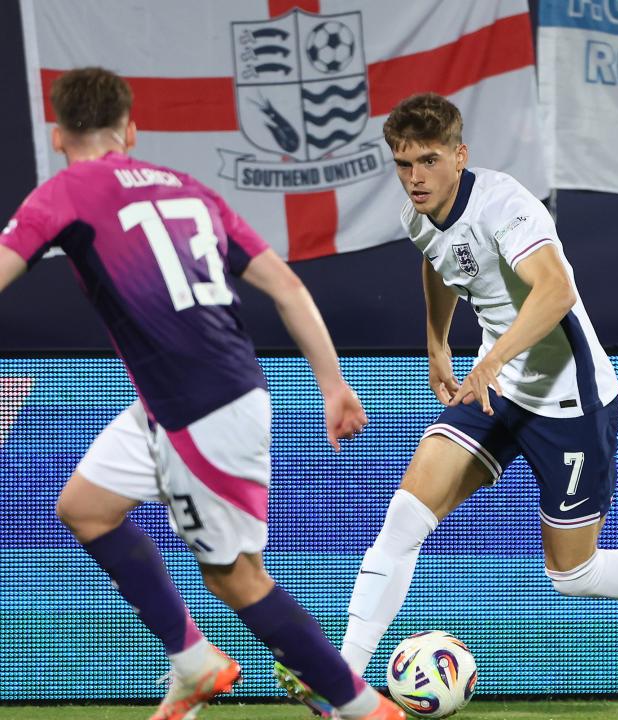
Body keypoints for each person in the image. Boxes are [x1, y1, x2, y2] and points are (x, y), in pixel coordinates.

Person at [281, 93, 618, 697]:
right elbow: (438, 260)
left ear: (459, 155)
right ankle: (342, 679)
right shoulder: (416, 214)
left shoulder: (506, 204)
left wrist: (493, 359)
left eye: (427, 161)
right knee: (404, 519)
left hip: (568, 399)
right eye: (402, 163)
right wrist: (437, 342)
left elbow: (554, 292)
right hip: (493, 388)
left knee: (575, 574)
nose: (415, 177)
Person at [0, 67, 404, 720]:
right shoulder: (187, 188)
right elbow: (288, 287)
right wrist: (331, 384)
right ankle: (193, 661)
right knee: (85, 507)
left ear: (56, 134)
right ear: (130, 131)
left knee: (237, 578)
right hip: (182, 398)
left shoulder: (62, 192)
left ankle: (360, 707)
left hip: (203, 407)